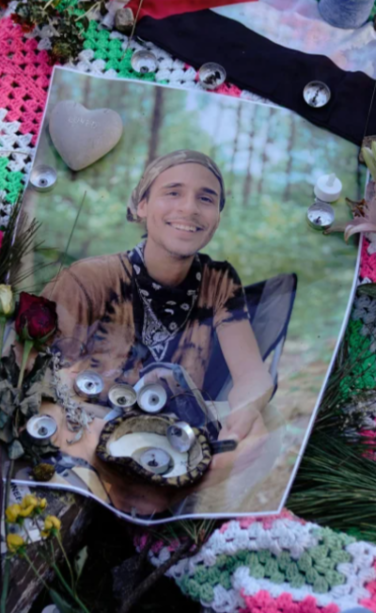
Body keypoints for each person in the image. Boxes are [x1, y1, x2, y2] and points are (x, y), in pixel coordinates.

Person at [36, 150, 276, 515]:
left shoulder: (218, 281)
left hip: (175, 441)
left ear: (217, 216)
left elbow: (251, 374)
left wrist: (245, 412)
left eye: (206, 198)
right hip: (88, 434)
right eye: (173, 192)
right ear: (142, 204)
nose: (190, 208)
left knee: (259, 433)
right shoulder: (88, 279)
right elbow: (38, 381)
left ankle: (166, 500)